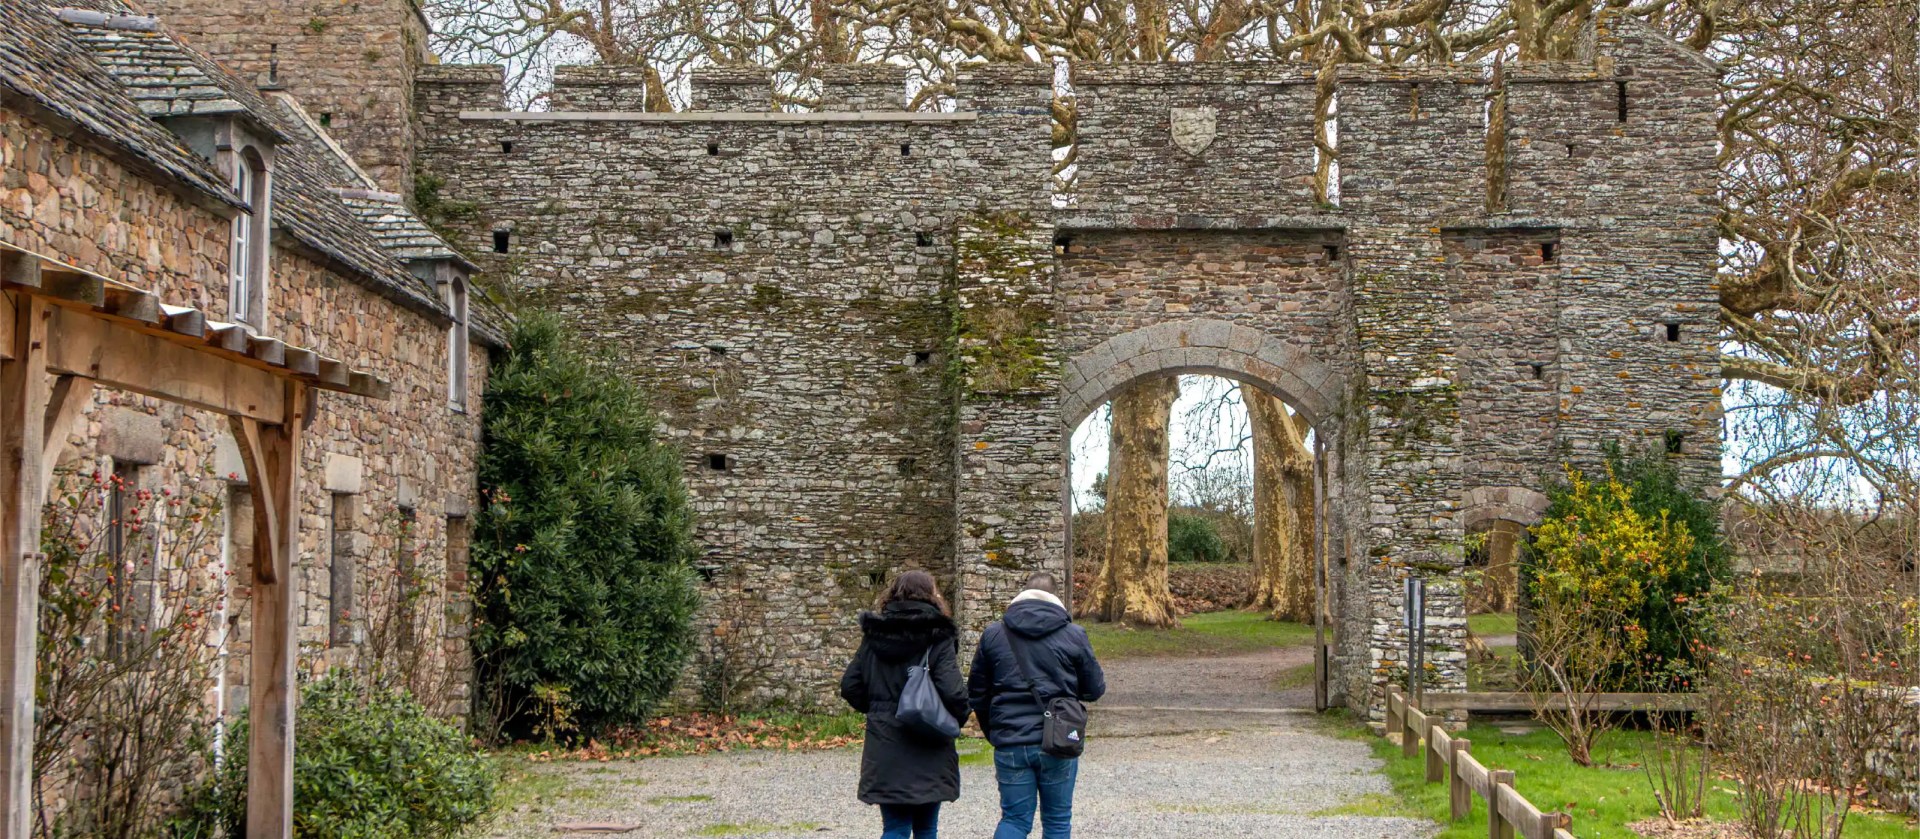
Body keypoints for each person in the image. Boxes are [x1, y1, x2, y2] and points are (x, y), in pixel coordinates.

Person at [968, 572, 1106, 839]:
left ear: (1022, 594)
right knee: (1056, 822)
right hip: (1059, 739)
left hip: (1011, 739)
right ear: (1057, 597)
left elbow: (977, 693)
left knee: (1015, 821)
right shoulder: (1074, 635)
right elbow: (1094, 689)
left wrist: (995, 732)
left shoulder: (994, 634)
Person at [840, 570, 969, 839]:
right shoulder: (938, 636)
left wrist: (879, 708)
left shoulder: (874, 636)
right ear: (932, 595)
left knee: (895, 829)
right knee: (926, 829)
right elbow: (953, 691)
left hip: (885, 741)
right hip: (929, 739)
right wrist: (956, 717)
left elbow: (850, 686)